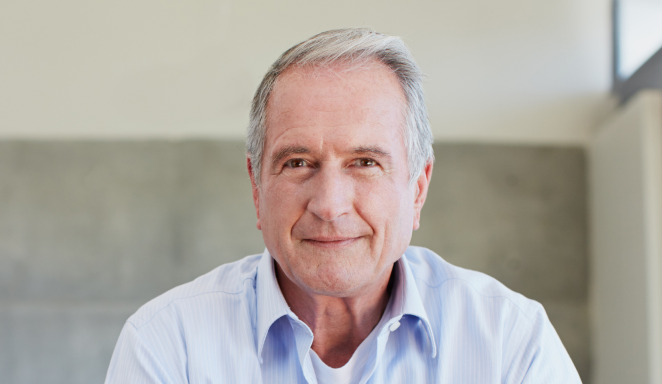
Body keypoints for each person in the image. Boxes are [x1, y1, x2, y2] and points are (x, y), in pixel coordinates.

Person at [105, 28, 581, 383]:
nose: (329, 205)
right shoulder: (168, 343)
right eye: (296, 162)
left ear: (417, 187)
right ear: (256, 187)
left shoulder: (511, 340)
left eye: (365, 162)